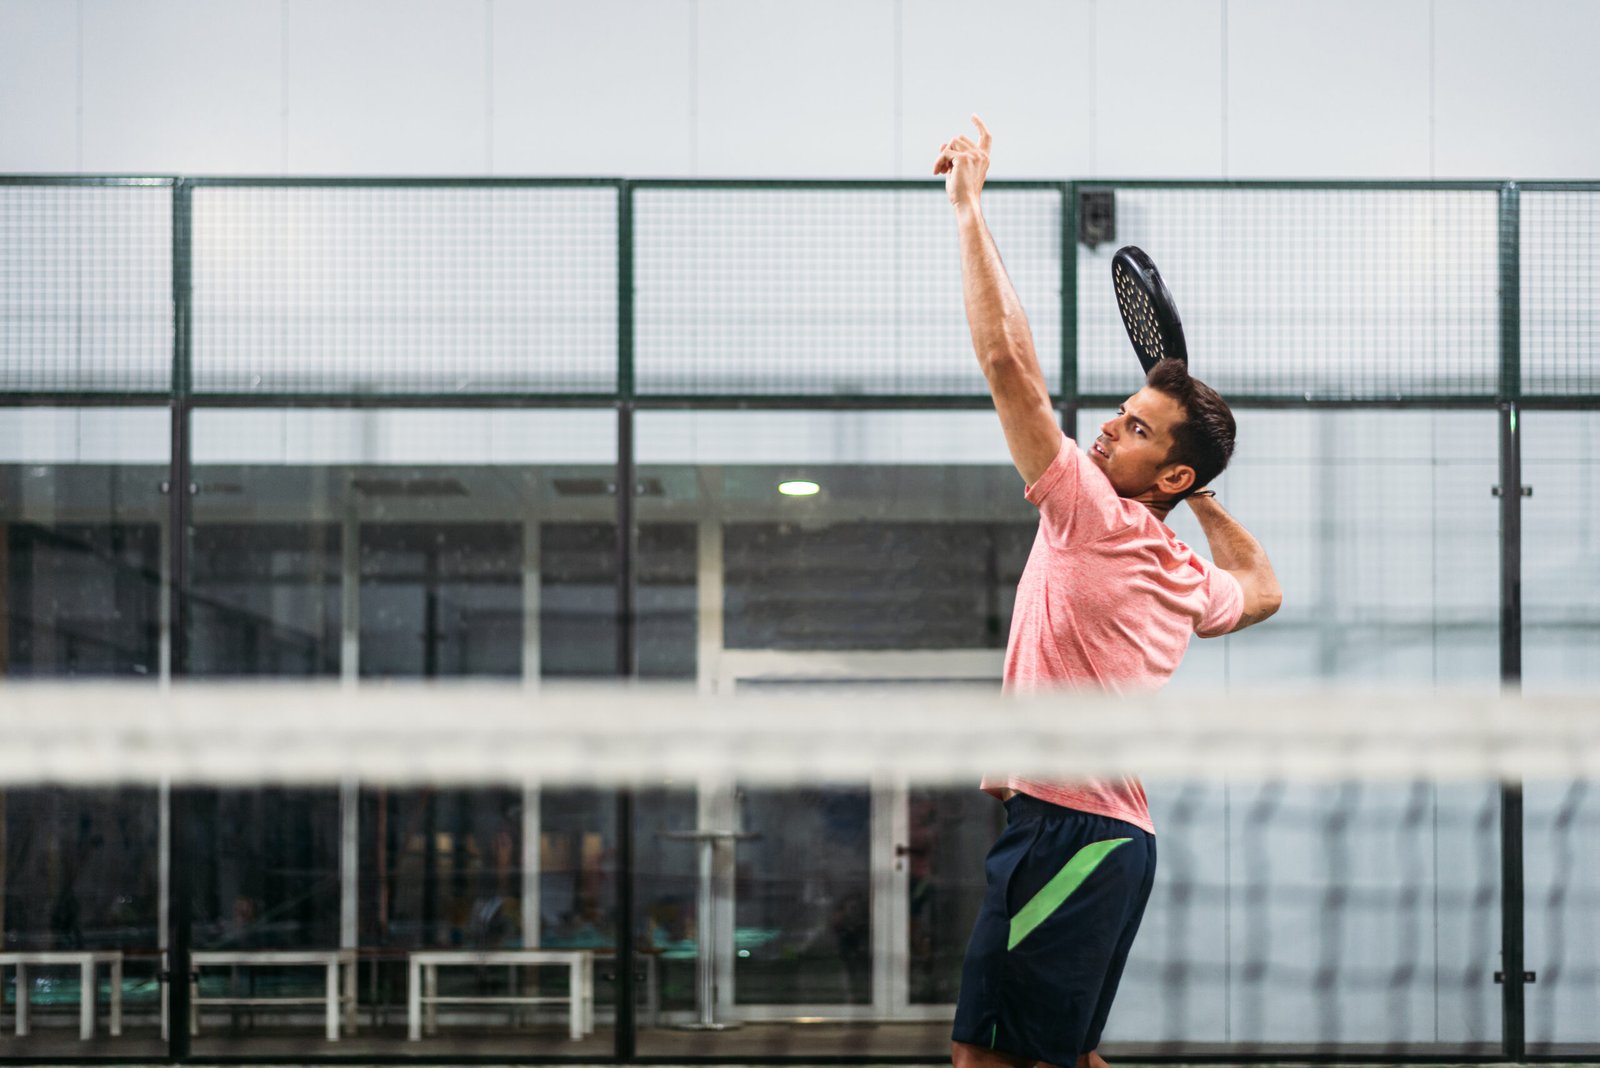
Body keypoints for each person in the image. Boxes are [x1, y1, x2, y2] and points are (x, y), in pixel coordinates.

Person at [934, 117, 1282, 1068]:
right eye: (1123, 416)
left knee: (988, 1062)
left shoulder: (1091, 514)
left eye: (1133, 429)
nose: (1106, 433)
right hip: (1105, 841)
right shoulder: (1179, 573)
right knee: (1063, 1058)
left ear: (1165, 476)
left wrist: (969, 208)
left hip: (1067, 833)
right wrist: (1202, 500)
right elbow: (1262, 591)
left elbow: (1010, 367)